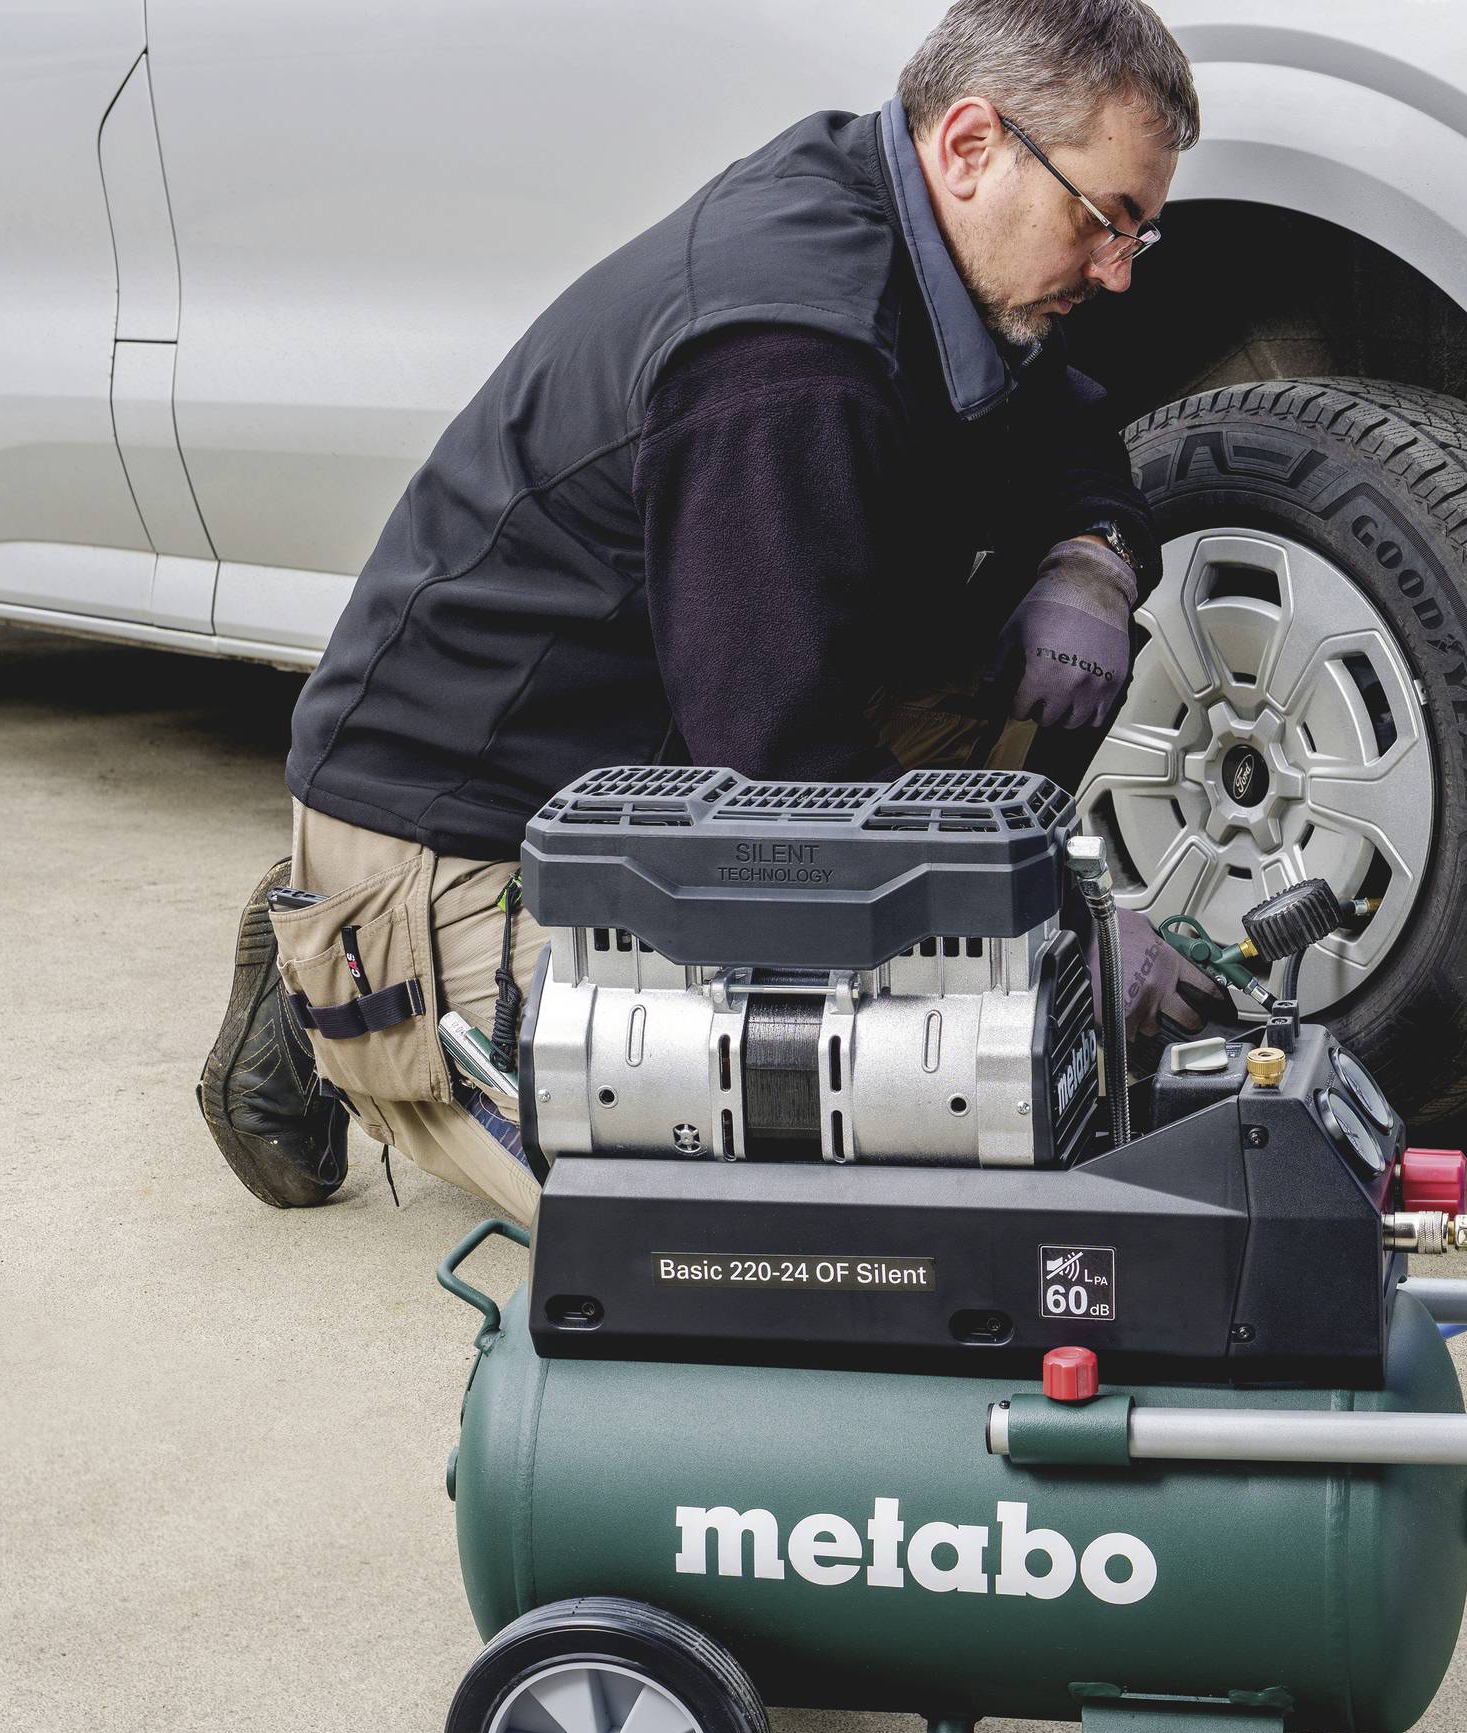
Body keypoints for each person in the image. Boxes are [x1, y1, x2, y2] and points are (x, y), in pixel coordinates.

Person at [198, 0, 1217, 1222]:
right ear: (969, 145)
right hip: (468, 841)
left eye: (1139, 235)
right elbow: (786, 789)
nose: (1114, 268)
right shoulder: (788, 354)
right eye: (1104, 218)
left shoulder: (933, 239)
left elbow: (1072, 430)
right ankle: (338, 985)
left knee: (1001, 684)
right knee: (786, 1217)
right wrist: (1056, 925)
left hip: (659, 750)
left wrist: (1095, 560)